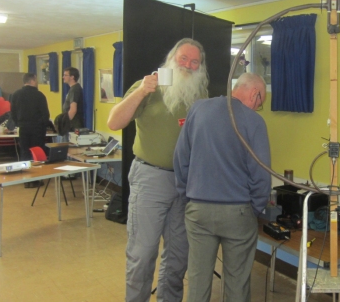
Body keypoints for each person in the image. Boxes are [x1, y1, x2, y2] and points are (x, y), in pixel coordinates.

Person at [107, 38, 209, 302]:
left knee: (177, 257)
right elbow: (114, 122)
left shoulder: (200, 92)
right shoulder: (151, 84)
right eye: (183, 58)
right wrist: (141, 91)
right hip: (150, 178)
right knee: (142, 254)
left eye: (194, 61)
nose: (188, 65)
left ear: (200, 66)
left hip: (186, 184)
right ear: (172, 58)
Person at [173, 72, 271, 302]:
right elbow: (261, 175)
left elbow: (180, 158)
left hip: (198, 209)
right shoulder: (254, 122)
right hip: (238, 212)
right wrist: (253, 209)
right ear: (255, 93)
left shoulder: (198, 109)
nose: (258, 108)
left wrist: (189, 196)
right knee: (237, 283)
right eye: (261, 102)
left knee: (197, 280)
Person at [10, 73, 50, 187]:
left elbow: (12, 112)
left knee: (25, 152)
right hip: (37, 129)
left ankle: (26, 179)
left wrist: (19, 123)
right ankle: (36, 178)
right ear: (32, 81)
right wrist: (43, 125)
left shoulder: (16, 94)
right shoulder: (39, 95)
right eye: (36, 80)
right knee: (36, 153)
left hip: (23, 128)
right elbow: (45, 114)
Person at [62, 67, 84, 134]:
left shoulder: (74, 90)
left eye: (65, 75)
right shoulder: (72, 89)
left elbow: (73, 110)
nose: (63, 77)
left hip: (73, 126)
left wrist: (65, 123)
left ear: (72, 77)